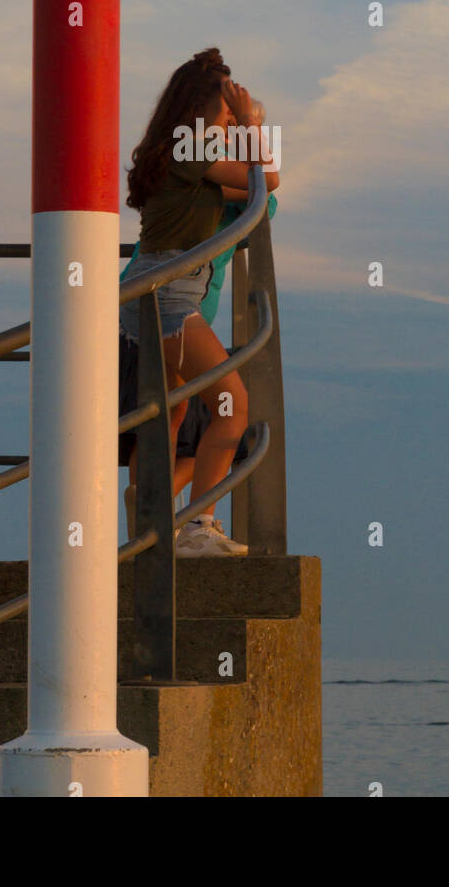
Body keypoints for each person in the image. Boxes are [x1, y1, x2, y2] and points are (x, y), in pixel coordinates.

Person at [119, 49, 280, 557]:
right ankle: (198, 527)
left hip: (154, 292)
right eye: (225, 109)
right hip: (171, 297)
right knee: (232, 408)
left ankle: (154, 529)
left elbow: (257, 196)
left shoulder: (175, 152)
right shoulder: (190, 151)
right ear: (197, 109)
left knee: (170, 415)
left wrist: (239, 126)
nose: (232, 118)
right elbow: (267, 182)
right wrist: (252, 126)